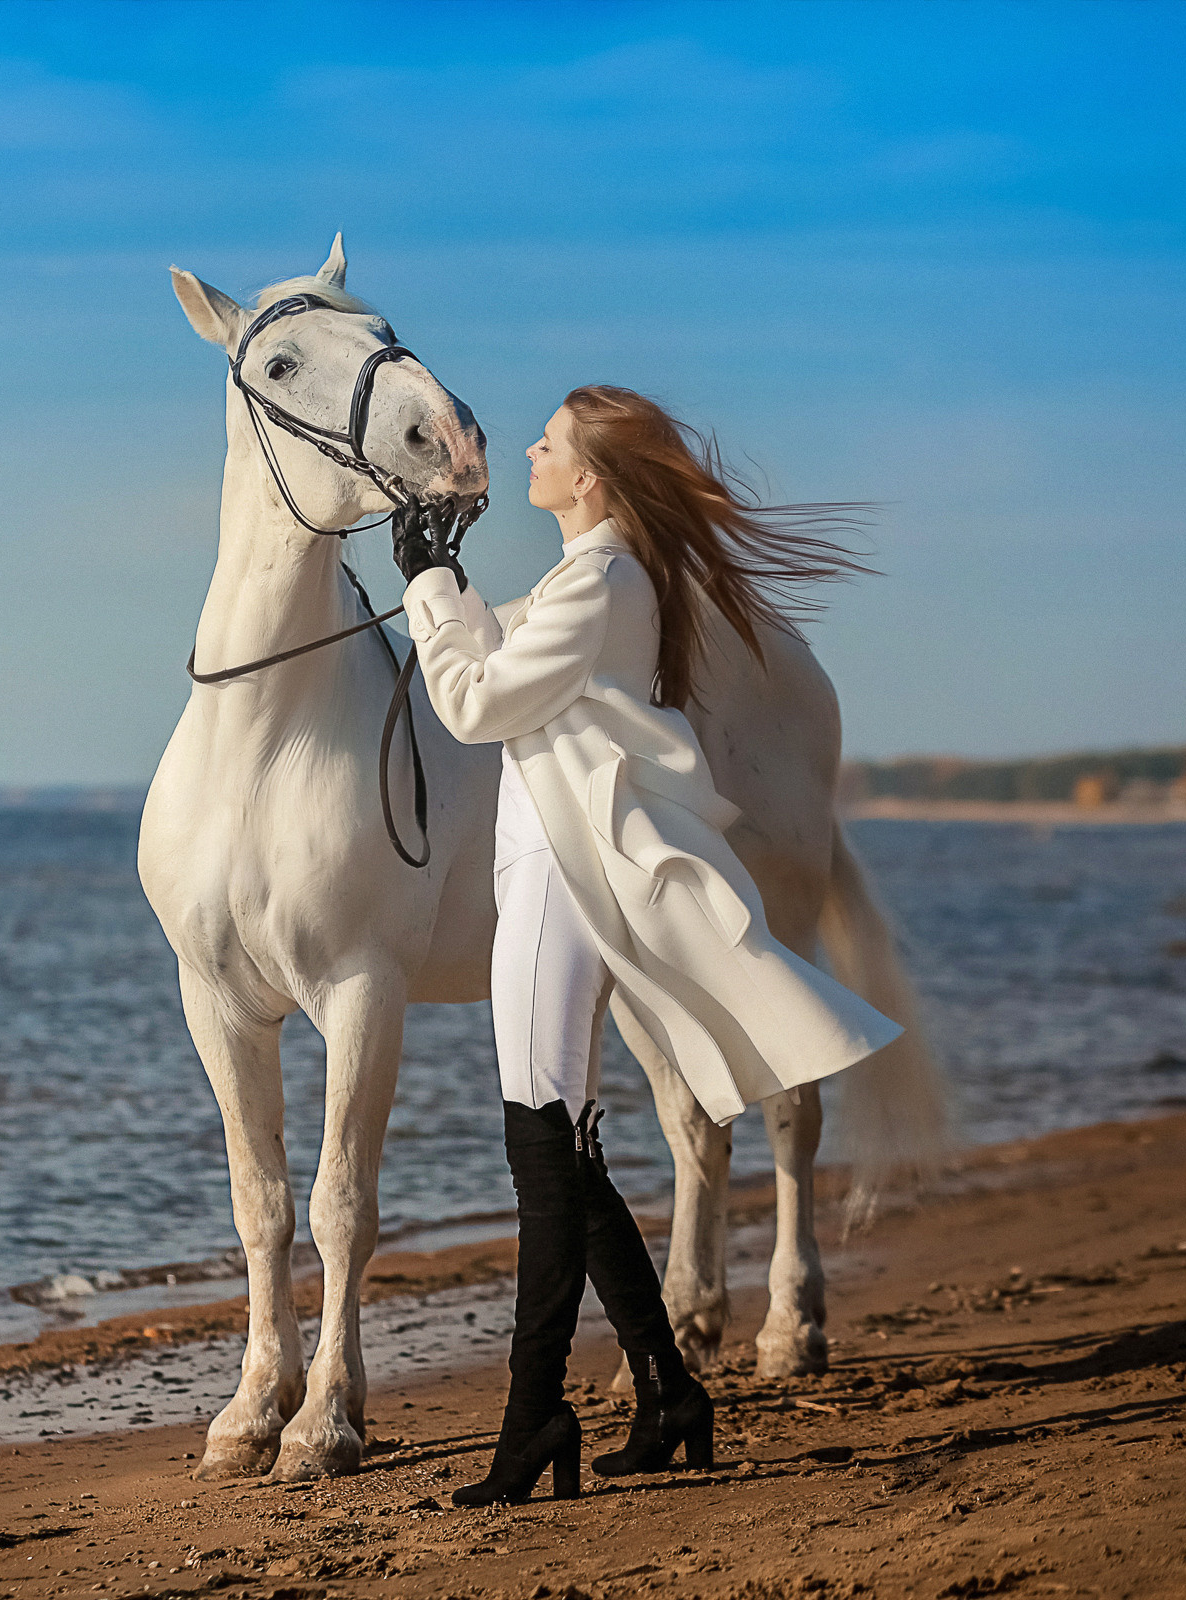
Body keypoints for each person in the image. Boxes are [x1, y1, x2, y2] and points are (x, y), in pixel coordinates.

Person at [393, 386, 905, 1506]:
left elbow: (475, 704)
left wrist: (427, 585)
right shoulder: (604, 576)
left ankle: (533, 1427)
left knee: (541, 1155)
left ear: (589, 479)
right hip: (554, 871)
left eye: (548, 443)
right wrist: (448, 583)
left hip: (555, 881)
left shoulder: (604, 579)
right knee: (563, 1154)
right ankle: (669, 1391)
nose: (526, 448)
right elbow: (503, 648)